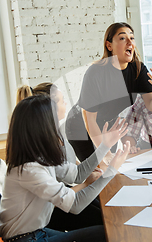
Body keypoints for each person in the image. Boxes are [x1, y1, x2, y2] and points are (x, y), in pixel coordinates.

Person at [0, 95, 130, 242]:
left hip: (36, 234)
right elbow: (75, 205)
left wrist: (105, 145)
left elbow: (78, 174)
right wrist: (111, 170)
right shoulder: (28, 169)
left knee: (103, 237)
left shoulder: (39, 156)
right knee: (106, 234)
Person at [66, 22, 152, 162]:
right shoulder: (95, 72)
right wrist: (104, 152)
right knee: (96, 170)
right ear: (109, 46)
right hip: (80, 125)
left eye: (132, 38)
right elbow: (89, 120)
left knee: (112, 167)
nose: (130, 42)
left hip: (107, 124)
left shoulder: (138, 69)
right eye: (122, 38)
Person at [16, 83, 103, 231]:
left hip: (66, 192)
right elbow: (69, 179)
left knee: (102, 205)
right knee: (103, 219)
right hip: (55, 208)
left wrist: (88, 168)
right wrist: (87, 181)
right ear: (51, 108)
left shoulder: (57, 131)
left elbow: (69, 164)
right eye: (62, 100)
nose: (66, 103)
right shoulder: (46, 142)